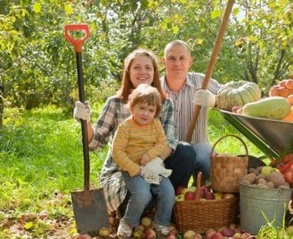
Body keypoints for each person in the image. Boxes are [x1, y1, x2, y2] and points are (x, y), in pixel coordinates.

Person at [73, 49, 196, 226]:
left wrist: (151, 166)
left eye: (148, 67)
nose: (143, 72)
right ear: (128, 72)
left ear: (154, 72)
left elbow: (169, 141)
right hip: (122, 170)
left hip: (155, 166)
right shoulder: (115, 103)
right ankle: (141, 208)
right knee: (137, 192)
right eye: (136, 67)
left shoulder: (164, 103)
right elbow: (95, 143)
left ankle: (165, 206)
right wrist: (85, 122)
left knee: (186, 152)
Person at [111, 84, 174, 238]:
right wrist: (134, 168)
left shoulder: (155, 124)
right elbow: (117, 151)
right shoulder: (125, 127)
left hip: (153, 167)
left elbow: (162, 143)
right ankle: (128, 222)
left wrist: (149, 156)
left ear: (156, 112)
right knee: (142, 194)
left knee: (168, 192)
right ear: (132, 107)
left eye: (151, 110)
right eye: (142, 108)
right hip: (133, 169)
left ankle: (161, 222)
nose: (146, 114)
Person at [161, 40, 221, 180]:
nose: (177, 63)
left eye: (182, 58)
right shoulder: (155, 88)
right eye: (172, 58)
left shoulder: (201, 82)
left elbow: (231, 96)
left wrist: (215, 100)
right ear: (164, 62)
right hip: (164, 153)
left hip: (198, 148)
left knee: (209, 158)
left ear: (190, 61)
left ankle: (207, 193)